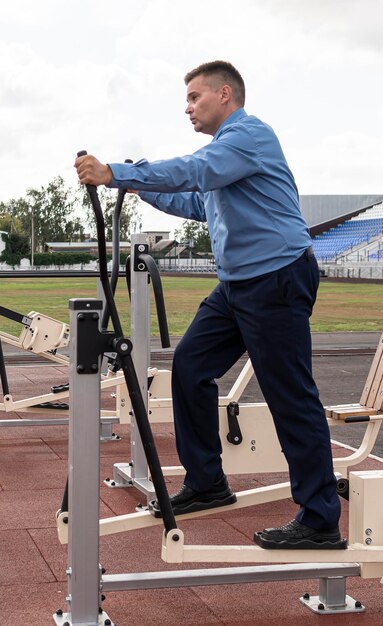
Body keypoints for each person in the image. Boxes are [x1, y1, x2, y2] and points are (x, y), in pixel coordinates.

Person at [75, 60, 345, 549]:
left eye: (195, 98)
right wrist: (140, 185)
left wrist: (118, 171)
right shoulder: (227, 158)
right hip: (238, 285)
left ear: (226, 94)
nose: (188, 108)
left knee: (289, 395)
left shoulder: (248, 137)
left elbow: (195, 171)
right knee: (191, 366)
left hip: (276, 277)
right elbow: (199, 201)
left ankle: (320, 516)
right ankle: (206, 482)